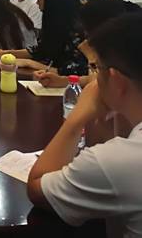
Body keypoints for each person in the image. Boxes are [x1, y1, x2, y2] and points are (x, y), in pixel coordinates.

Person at [27, 13, 142, 237]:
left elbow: (37, 189)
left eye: (96, 68)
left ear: (117, 80)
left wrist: (76, 119)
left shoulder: (118, 160)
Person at [0, 0, 87, 75]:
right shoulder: (55, 20)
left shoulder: (79, 27)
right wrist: (5, 53)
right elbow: (41, 50)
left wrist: (29, 63)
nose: (37, 3)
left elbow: (75, 71)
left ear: (53, 0)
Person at [34, 0, 129, 88]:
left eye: (87, 31)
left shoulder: (123, 54)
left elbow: (97, 85)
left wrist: (91, 58)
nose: (86, 36)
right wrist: (62, 81)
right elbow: (90, 79)